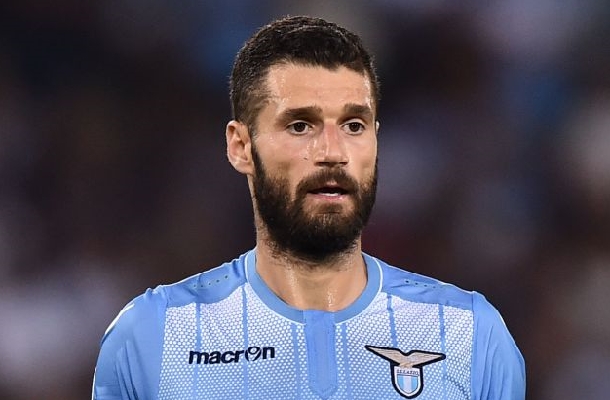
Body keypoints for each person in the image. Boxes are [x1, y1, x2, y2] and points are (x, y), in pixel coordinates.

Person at [92, 15, 525, 400]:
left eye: (353, 125)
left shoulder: (471, 335)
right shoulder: (154, 336)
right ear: (241, 146)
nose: (332, 152)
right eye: (300, 125)